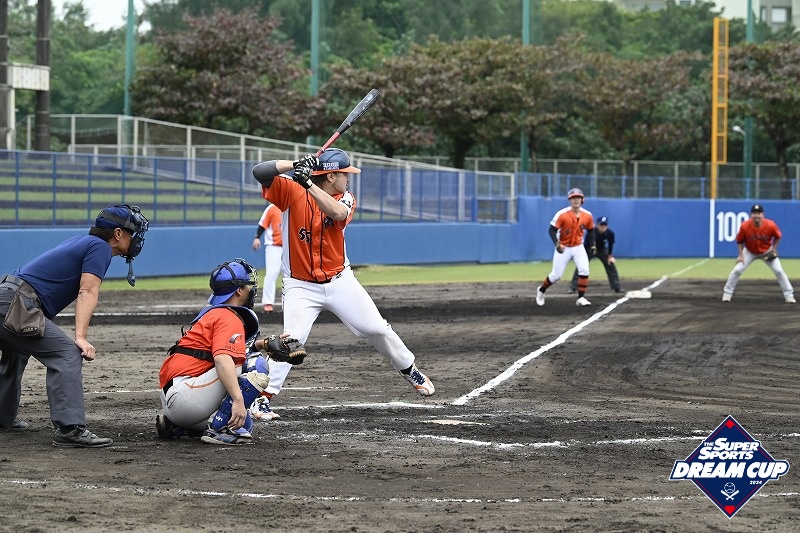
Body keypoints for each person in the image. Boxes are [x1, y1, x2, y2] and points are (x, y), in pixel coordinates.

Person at [249, 148, 435, 420]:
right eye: (344, 174)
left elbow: (336, 213)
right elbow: (260, 172)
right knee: (291, 340)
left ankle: (410, 370)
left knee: (377, 328)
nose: (348, 178)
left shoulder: (345, 197)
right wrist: (295, 164)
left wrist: (308, 182)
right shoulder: (291, 191)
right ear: (331, 175)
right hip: (300, 285)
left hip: (340, 280)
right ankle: (262, 399)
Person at [0, 205, 149, 447]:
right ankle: (70, 429)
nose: (135, 239)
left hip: (7, 298)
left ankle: (2, 416)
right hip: (15, 305)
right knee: (67, 354)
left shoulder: (81, 241)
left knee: (17, 350)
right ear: (118, 234)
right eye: (132, 233)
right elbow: (87, 290)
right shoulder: (100, 247)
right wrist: (80, 336)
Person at [156, 258, 275, 445]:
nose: (250, 290)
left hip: (177, 398)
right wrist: (238, 400)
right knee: (256, 364)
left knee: (245, 424)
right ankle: (220, 429)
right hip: (185, 399)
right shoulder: (229, 317)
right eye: (248, 286)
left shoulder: (213, 313)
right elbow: (221, 359)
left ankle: (180, 426)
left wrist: (260, 345)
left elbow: (213, 354)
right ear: (239, 290)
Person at [722, 204, 795, 304]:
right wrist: (741, 255)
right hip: (750, 251)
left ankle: (789, 295)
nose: (756, 215)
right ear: (751, 215)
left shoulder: (770, 225)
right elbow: (739, 240)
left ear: (762, 215)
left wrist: (773, 249)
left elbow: (778, 236)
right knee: (737, 270)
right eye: (754, 213)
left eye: (758, 213)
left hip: (766, 251)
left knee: (779, 271)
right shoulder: (745, 226)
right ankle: (727, 294)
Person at [535, 188, 596, 307]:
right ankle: (541, 290)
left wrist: (593, 244)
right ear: (569, 200)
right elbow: (552, 230)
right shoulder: (562, 214)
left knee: (584, 270)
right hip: (564, 247)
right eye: (573, 198)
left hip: (578, 246)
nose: (576, 200)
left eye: (578, 197)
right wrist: (557, 244)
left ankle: (581, 298)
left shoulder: (587, 215)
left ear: (582, 199)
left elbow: (591, 230)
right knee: (556, 276)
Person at [569, 215, 624, 294]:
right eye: (601, 225)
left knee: (610, 264)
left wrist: (610, 256)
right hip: (589, 249)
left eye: (605, 225)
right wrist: (582, 256)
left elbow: (610, 245)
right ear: (597, 225)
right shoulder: (592, 232)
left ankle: (617, 287)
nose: (603, 227)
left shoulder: (610, 233)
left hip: (602, 250)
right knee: (581, 266)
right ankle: (573, 287)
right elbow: (586, 245)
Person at [252, 203, 283, 313]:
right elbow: (262, 225)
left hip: (289, 247)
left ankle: (288, 303)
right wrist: (257, 237)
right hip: (273, 246)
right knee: (271, 274)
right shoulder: (272, 207)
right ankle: (268, 302)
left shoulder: (292, 205)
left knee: (289, 277)